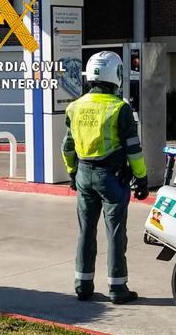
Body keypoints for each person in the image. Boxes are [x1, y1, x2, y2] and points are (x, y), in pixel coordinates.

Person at [61, 51, 149, 304]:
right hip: (111, 177)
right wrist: (142, 179)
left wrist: (72, 173)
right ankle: (117, 289)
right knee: (115, 234)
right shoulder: (120, 108)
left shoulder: (74, 107)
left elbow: (67, 147)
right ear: (117, 76)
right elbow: (133, 149)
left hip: (83, 174)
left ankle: (83, 285)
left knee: (86, 231)